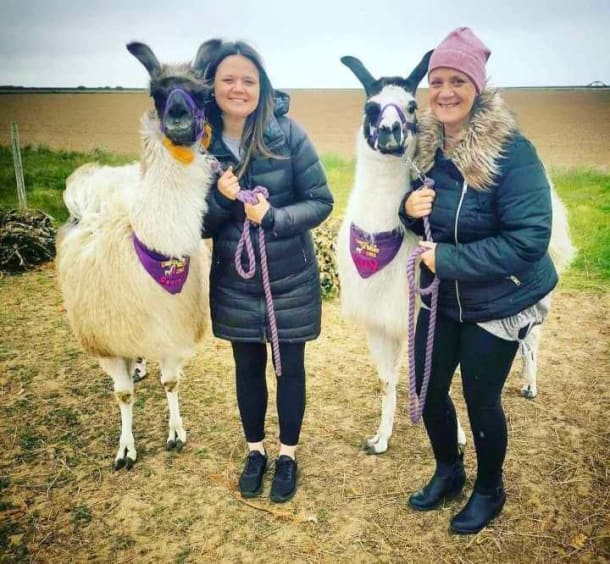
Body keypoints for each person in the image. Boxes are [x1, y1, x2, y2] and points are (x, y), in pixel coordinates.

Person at [399, 27, 558, 534]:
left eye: (457, 80)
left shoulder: (512, 152)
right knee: (427, 389)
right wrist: (407, 210)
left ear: (478, 86)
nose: (445, 92)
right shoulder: (425, 148)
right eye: (437, 80)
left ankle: (490, 489)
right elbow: (426, 223)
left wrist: (447, 260)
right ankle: (449, 470)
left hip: (502, 295)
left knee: (480, 397)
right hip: (443, 297)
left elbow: (529, 239)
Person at [201, 39, 333, 503]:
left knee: (289, 368)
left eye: (248, 80)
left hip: (288, 279)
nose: (239, 88)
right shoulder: (202, 146)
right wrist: (219, 196)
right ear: (212, 87)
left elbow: (321, 201)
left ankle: (288, 454)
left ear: (263, 87)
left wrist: (272, 219)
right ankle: (255, 450)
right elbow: (197, 224)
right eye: (228, 79)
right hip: (236, 281)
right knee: (247, 367)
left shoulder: (289, 134)